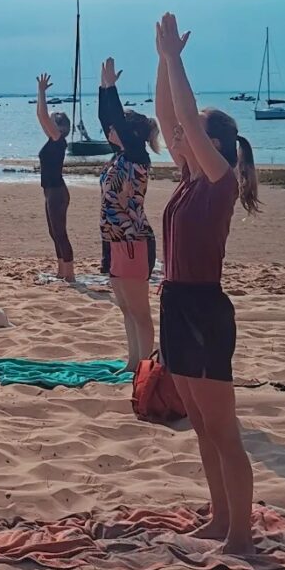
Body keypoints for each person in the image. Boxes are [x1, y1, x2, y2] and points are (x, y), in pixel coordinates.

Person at [154, 11, 260, 555]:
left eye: (191, 134)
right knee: (198, 423)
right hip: (175, 303)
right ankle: (220, 520)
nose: (178, 137)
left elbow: (185, 119)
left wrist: (176, 60)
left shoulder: (219, 183)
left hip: (204, 309)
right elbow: (167, 114)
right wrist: (160, 60)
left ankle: (240, 535)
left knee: (223, 430)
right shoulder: (189, 180)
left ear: (212, 144)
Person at [98, 57, 161, 371]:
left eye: (118, 126)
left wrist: (113, 89)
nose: (110, 130)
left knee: (139, 311)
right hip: (114, 240)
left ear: (132, 134)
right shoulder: (120, 156)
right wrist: (103, 88)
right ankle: (132, 362)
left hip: (134, 240)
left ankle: (143, 366)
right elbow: (106, 119)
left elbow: (117, 122)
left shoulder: (137, 157)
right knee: (125, 307)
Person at [35, 73, 74, 281]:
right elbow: (41, 117)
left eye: (52, 122)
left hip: (57, 192)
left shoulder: (58, 139)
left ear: (60, 128)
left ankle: (70, 274)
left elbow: (43, 117)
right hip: (50, 191)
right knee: (54, 232)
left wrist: (42, 92)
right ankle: (61, 271)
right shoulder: (54, 140)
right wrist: (40, 95)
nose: (47, 124)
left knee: (60, 232)